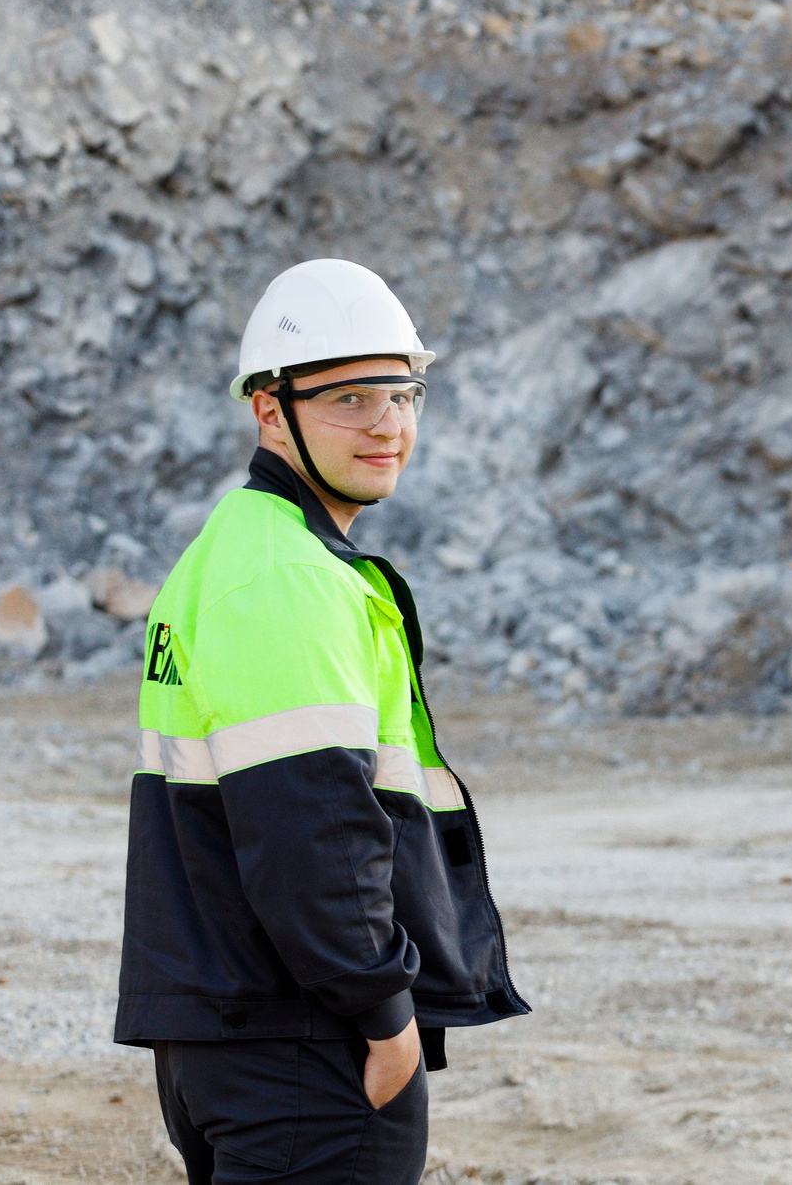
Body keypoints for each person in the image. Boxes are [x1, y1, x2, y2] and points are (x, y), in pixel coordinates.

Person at [115, 259, 526, 1185]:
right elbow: (314, 830)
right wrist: (385, 1016)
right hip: (306, 1040)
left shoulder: (231, 551)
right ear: (270, 408)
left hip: (232, 1032)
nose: (388, 422)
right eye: (349, 395)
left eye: (403, 392)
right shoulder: (290, 578)